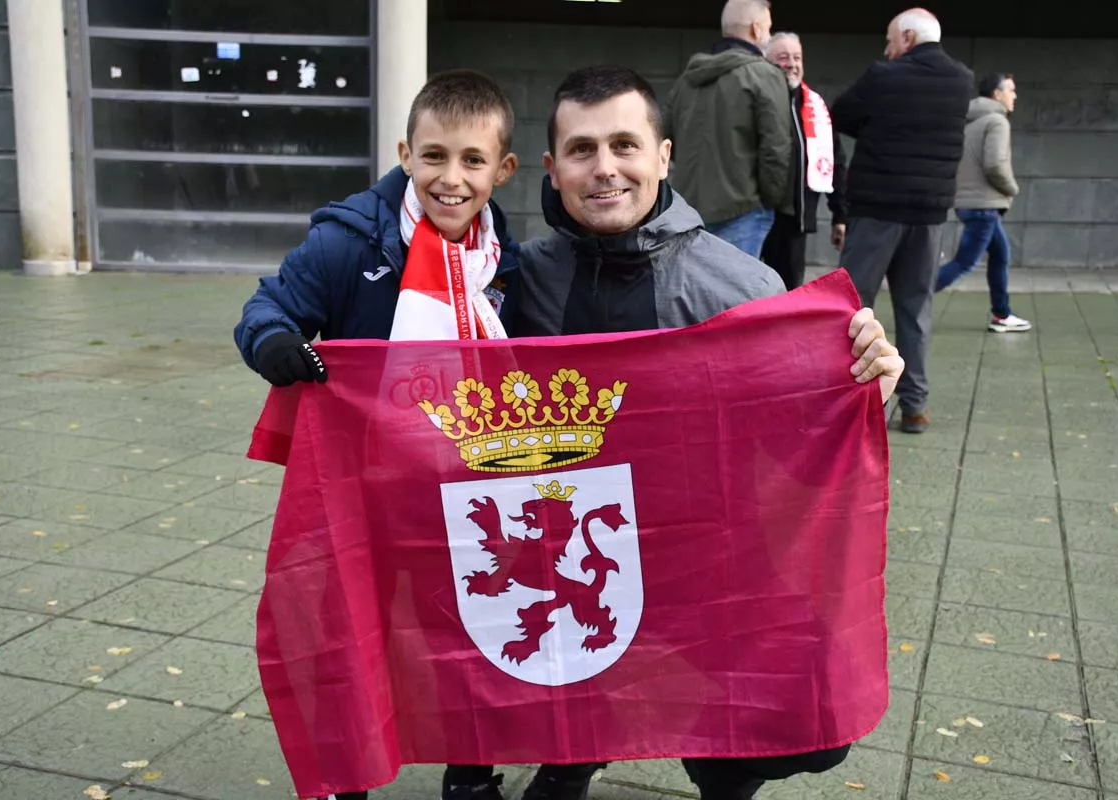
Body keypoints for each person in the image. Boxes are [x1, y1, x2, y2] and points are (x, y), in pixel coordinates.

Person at [517, 64, 905, 800]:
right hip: (573, 556)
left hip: (706, 558)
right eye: (582, 149)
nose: (605, 169)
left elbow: (796, 445)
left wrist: (862, 394)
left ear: (664, 156)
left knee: (779, 729)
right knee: (564, 679)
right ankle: (571, 754)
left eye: (626, 146)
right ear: (552, 167)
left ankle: (725, 771)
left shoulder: (743, 289)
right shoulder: (517, 281)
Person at [233, 70, 599, 800]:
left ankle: (470, 771)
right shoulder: (346, 243)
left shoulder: (508, 264)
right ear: (405, 154)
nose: (451, 178)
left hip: (464, 490)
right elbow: (268, 308)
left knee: (479, 623)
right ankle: (347, 773)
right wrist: (275, 344)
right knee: (349, 629)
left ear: (504, 169)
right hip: (363, 488)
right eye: (433, 157)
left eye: (471, 160)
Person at [831, 8, 973, 434]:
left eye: (891, 41)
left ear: (908, 37)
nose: (887, 49)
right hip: (929, 216)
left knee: (849, 307)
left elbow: (843, 113)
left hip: (877, 211)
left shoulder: (884, 75)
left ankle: (841, 398)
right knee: (915, 310)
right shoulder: (962, 80)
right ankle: (915, 406)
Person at [666, 0, 792, 258]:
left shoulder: (685, 81)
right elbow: (776, 149)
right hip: (743, 212)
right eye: (768, 29)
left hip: (689, 213)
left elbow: (666, 140)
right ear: (756, 29)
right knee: (737, 297)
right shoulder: (765, 75)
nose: (769, 36)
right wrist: (770, 200)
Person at [935, 72, 1031, 332]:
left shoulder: (971, 121)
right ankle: (914, 294)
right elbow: (995, 164)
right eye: (1011, 90)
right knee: (964, 262)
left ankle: (1001, 314)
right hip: (984, 207)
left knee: (1001, 255)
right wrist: (1012, 188)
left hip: (971, 203)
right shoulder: (997, 121)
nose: (1015, 96)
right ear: (997, 94)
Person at [760, 32, 848, 290]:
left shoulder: (815, 106)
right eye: (783, 57)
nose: (792, 64)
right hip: (756, 215)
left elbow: (837, 160)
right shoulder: (756, 99)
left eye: (797, 57)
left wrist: (840, 214)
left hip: (794, 221)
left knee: (788, 291)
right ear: (766, 61)